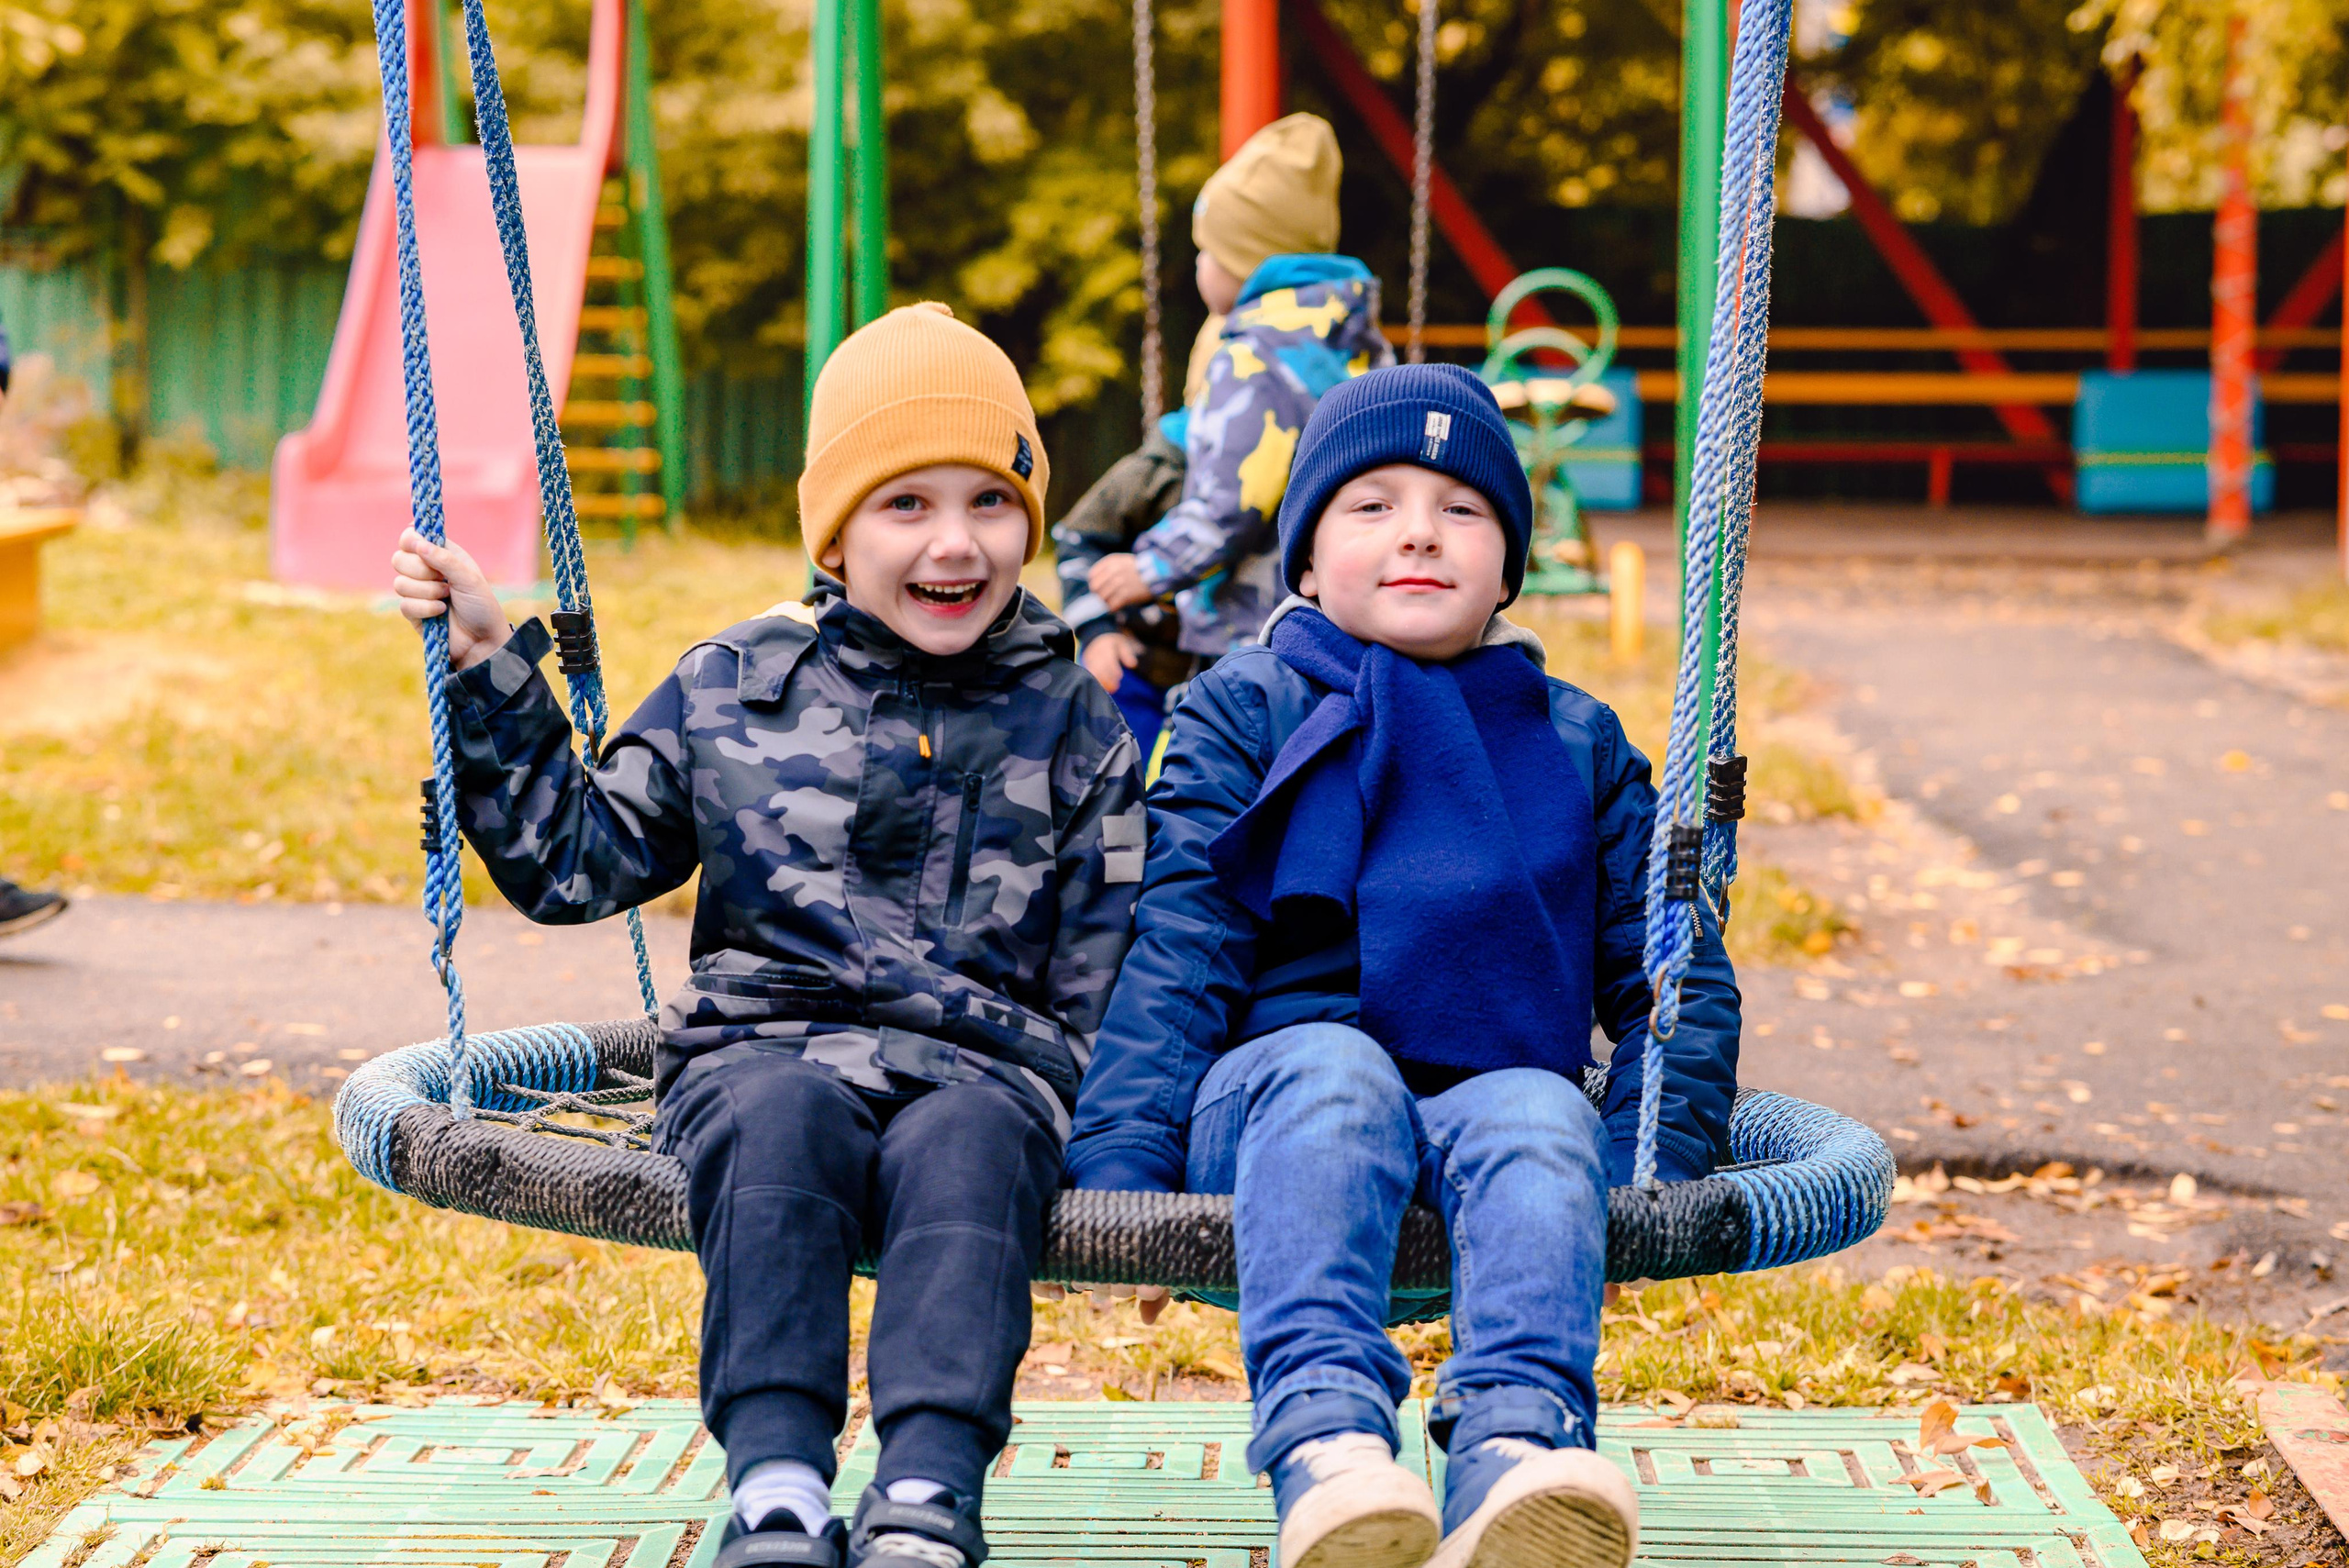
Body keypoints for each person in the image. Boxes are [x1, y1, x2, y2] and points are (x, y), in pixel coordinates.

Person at [390, 303, 1147, 1568]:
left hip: (981, 1067)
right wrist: (486, 666)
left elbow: (1106, 958)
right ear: (834, 535)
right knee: (780, 1125)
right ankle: (779, 1487)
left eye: (992, 501)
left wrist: (1115, 1129)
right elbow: (579, 861)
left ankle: (927, 1491)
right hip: (763, 1049)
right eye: (905, 504)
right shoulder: (735, 686)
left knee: (972, 1146)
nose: (955, 541)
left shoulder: (1075, 719)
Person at [1064, 364, 1742, 1568]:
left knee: (1543, 1106)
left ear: (1508, 565)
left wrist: (1650, 1171)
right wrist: (1124, 1169)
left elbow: (1669, 972)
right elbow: (1179, 943)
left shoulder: (1576, 737)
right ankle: (1329, 1441)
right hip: (1269, 1108)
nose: (1420, 531)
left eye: (1461, 509)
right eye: (1371, 505)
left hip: (1489, 1100)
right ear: (1306, 561)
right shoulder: (1244, 706)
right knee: (1333, 1067)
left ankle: (1518, 1449)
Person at [1076, 113, 1392, 710]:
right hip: (1339, 607)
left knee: (1227, 739)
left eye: (1208, 252)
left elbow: (1233, 497)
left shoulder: (1253, 358)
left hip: (1252, 621)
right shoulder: (1352, 340)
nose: (1200, 265)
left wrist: (1152, 568)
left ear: (1247, 263)